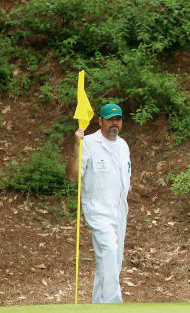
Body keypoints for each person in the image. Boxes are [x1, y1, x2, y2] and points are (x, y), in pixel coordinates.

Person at [66, 103, 131, 303]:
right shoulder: (89, 143)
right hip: (98, 209)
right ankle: (113, 304)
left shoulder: (123, 145)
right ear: (100, 121)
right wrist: (77, 147)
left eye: (118, 119)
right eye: (110, 119)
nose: (115, 124)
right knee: (109, 251)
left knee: (112, 261)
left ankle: (97, 305)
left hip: (119, 210)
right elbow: (72, 176)